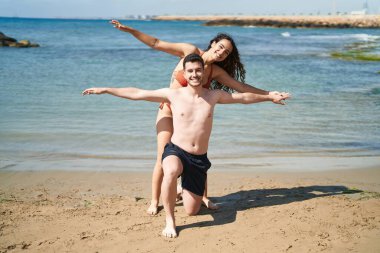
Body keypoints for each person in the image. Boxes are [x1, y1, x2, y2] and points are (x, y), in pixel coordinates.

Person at [83, 53, 290, 238]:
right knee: (170, 170)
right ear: (184, 73)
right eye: (190, 71)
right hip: (176, 150)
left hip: (198, 159)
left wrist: (269, 97)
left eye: (198, 70)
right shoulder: (173, 94)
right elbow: (138, 93)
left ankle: (187, 192)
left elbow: (243, 97)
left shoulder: (213, 96)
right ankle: (170, 221)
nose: (194, 75)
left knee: (192, 210)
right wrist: (107, 90)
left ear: (203, 72)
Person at [110, 20, 289, 215]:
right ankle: (154, 201)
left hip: (190, 116)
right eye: (220, 47)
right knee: (162, 158)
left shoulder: (215, 71)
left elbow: (242, 89)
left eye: (226, 52)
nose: (221, 52)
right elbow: (155, 43)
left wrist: (269, 94)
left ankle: (202, 196)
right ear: (213, 43)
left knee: (198, 154)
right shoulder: (189, 51)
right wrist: (130, 30)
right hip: (167, 110)